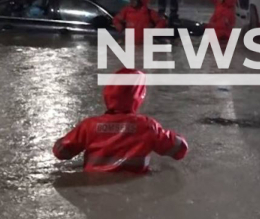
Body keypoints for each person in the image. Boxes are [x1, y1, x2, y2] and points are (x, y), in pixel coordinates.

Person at [52, 68, 188, 174]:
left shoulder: (89, 125)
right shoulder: (147, 126)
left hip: (93, 188)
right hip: (135, 191)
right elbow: (180, 150)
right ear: (138, 96)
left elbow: (61, 152)